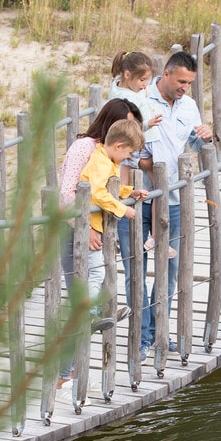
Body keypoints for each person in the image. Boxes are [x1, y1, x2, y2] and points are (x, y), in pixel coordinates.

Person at [117, 51, 214, 364]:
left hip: (172, 200)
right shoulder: (140, 98)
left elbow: (196, 147)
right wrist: (145, 164)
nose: (185, 87)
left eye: (190, 83)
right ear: (167, 74)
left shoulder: (188, 105)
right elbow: (120, 146)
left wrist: (206, 136)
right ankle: (141, 337)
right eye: (181, 81)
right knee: (136, 270)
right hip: (136, 197)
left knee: (169, 271)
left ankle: (160, 333)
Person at [57, 99, 143, 388]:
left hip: (94, 229)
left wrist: (129, 192)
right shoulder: (87, 149)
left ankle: (71, 372)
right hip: (76, 230)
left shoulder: (105, 156)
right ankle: (63, 374)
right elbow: (68, 194)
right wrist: (83, 228)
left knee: (89, 297)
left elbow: (109, 189)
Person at [107, 51, 173, 259]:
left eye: (147, 80)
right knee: (157, 187)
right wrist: (147, 124)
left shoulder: (122, 88)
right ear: (127, 74)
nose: (145, 84)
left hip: (143, 141)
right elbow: (127, 125)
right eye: (142, 80)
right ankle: (153, 235)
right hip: (140, 142)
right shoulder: (124, 97)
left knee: (132, 187)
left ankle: (145, 235)